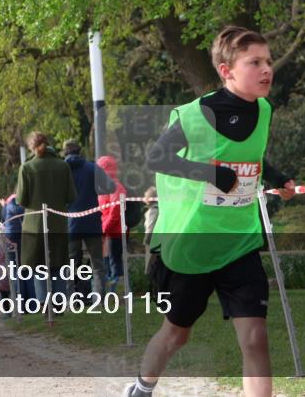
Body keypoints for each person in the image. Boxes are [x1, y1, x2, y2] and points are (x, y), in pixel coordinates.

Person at [123, 26, 296, 397]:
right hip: (193, 246)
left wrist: (279, 176)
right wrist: (210, 174)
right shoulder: (197, 115)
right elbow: (157, 157)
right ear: (226, 71)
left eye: (268, 61)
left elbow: (250, 157)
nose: (267, 69)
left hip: (239, 241)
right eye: (255, 62)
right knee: (176, 335)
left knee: (255, 337)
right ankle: (141, 388)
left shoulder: (263, 109)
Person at [15, 131, 76, 305]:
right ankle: (58, 303)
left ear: (31, 148)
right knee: (58, 264)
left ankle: (43, 303)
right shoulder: (63, 166)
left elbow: (21, 200)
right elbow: (71, 196)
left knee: (38, 266)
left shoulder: (27, 168)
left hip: (34, 225)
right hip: (58, 223)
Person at [63, 139, 109, 296]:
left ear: (65, 152)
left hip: (70, 222)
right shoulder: (92, 167)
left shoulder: (62, 169)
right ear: (80, 151)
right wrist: (94, 191)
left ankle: (69, 298)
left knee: (70, 263)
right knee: (97, 263)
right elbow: (110, 186)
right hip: (92, 221)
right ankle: (100, 299)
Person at [0, 192, 36, 304]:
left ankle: (21, 303)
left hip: (11, 238)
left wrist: (4, 206)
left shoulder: (9, 203)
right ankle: (29, 303)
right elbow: (20, 212)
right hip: (18, 238)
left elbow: (4, 220)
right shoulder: (14, 201)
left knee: (17, 271)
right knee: (25, 271)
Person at [97, 155, 126, 291]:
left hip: (114, 232)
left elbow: (115, 211)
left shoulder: (114, 187)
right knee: (109, 263)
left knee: (115, 264)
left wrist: (104, 228)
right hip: (108, 231)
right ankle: (112, 293)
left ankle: (118, 294)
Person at [142, 186, 159, 274]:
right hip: (157, 239)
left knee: (149, 262)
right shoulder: (158, 209)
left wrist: (146, 239)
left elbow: (150, 226)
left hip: (151, 239)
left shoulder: (153, 211)